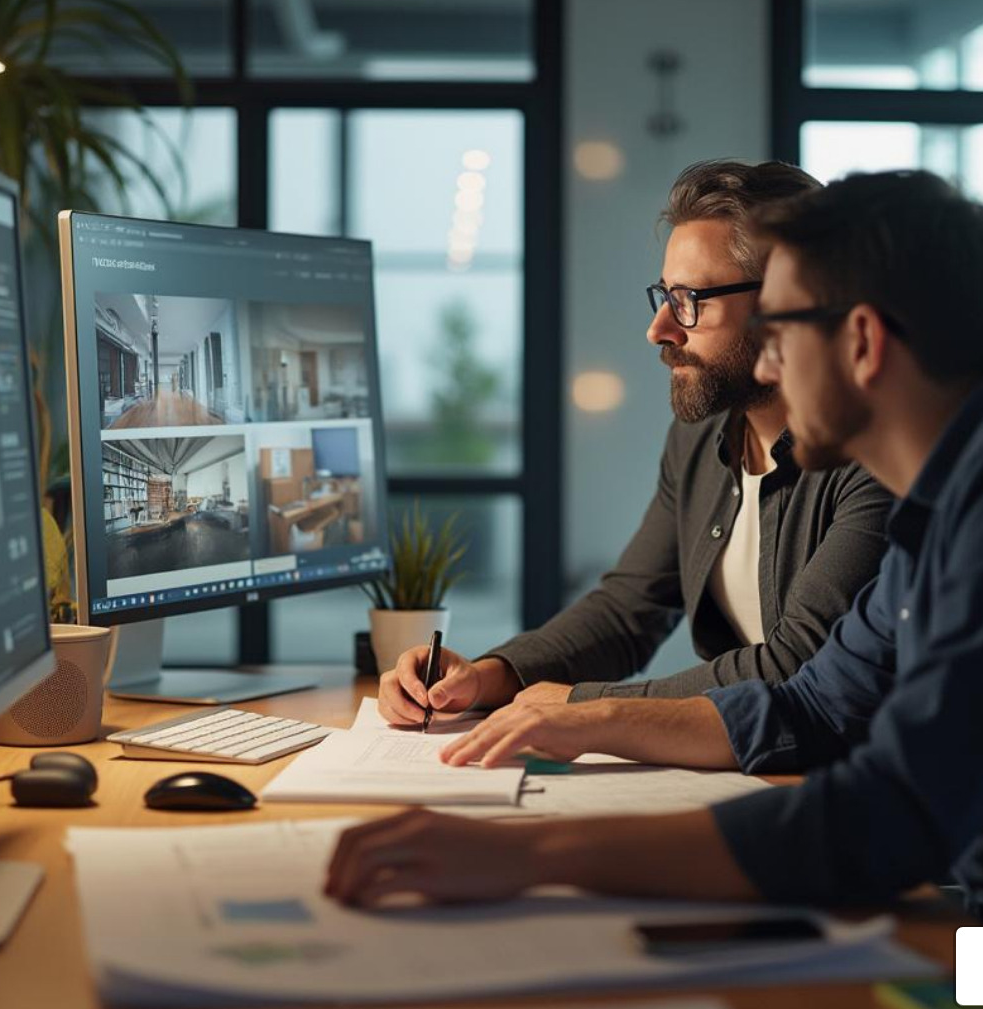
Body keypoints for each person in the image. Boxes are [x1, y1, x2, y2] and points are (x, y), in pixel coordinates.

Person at [326, 170, 983, 937]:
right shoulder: (971, 471)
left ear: (860, 341)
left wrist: (532, 856)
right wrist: (558, 717)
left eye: (785, 331)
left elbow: (890, 820)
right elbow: (810, 707)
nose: (768, 365)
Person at [380, 161, 891, 725]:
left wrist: (580, 707)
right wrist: (487, 676)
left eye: (691, 300)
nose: (661, 329)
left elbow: (800, 663)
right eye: (664, 296)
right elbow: (629, 610)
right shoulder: (698, 438)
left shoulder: (876, 456)